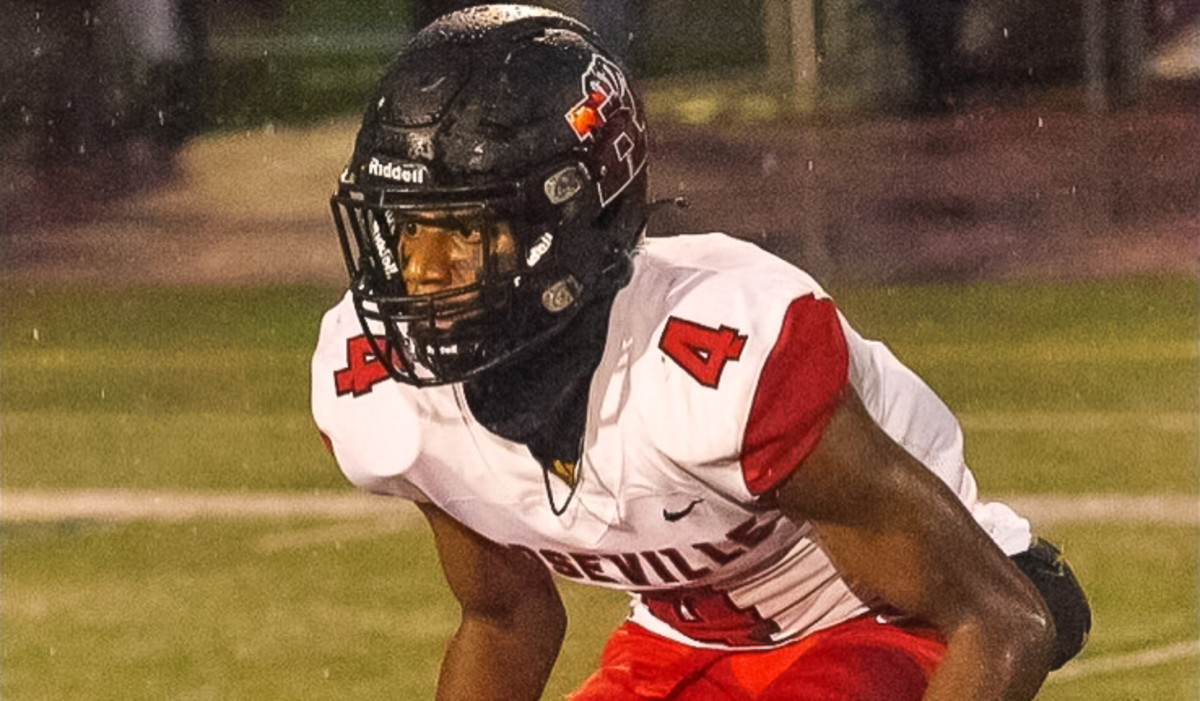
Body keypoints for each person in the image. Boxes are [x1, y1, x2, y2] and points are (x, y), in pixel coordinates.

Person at [312, 5, 1090, 699]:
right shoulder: (383, 390)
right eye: (405, 227)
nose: (419, 271)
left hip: (886, 616)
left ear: (569, 223)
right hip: (685, 639)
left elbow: (1004, 622)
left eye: (464, 231)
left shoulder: (714, 363)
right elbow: (505, 617)